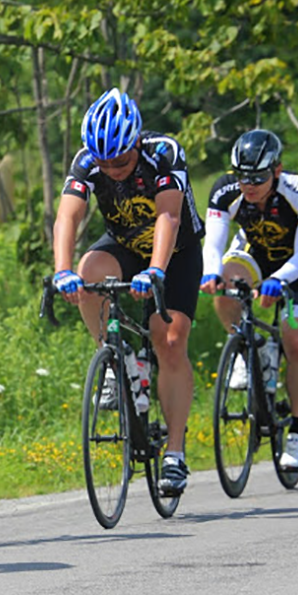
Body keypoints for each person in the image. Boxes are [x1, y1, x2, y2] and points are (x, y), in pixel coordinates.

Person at [51, 88, 204, 496]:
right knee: (88, 274)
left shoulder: (164, 153)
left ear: (135, 142)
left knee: (169, 340)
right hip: (123, 244)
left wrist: (156, 270)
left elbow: (169, 215)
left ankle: (174, 453)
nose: (112, 169)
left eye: (120, 160)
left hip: (175, 251)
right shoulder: (89, 161)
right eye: (104, 161)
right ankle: (119, 360)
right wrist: (61, 270)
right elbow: (68, 215)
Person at [201, 129, 298, 471]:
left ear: (277, 170)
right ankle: (247, 347)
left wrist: (277, 280)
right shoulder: (225, 190)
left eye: (258, 177)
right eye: (243, 177)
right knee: (226, 283)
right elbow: (213, 244)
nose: (250, 185)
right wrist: (210, 272)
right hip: (254, 252)